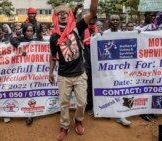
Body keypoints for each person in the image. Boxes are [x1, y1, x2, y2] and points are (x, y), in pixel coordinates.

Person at [49, 0, 98, 140]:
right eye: (59, 14)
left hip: (80, 74)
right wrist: (50, 72)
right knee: (64, 104)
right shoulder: (53, 36)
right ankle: (64, 126)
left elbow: (93, 13)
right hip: (64, 76)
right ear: (56, 17)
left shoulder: (77, 27)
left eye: (65, 13)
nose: (62, 15)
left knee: (82, 102)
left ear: (69, 15)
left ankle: (78, 120)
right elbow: (53, 56)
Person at [103, 14, 132, 126]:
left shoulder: (124, 34)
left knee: (122, 90)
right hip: (108, 69)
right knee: (109, 90)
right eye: (113, 20)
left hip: (122, 69)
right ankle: (109, 111)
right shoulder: (104, 35)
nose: (115, 21)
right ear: (109, 22)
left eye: (117, 19)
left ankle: (121, 115)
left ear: (120, 22)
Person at [82, 16, 98, 115]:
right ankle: (84, 105)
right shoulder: (82, 30)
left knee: (92, 84)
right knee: (84, 85)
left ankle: (91, 106)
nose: (92, 20)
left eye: (94, 18)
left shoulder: (97, 29)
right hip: (85, 60)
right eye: (90, 18)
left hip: (95, 61)